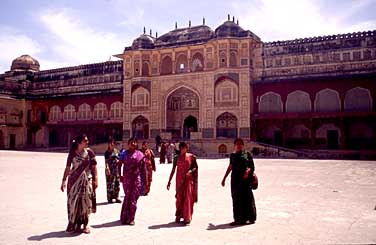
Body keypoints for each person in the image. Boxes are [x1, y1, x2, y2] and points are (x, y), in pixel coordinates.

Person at [60, 134, 98, 234]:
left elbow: (94, 167)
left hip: (86, 180)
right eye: (85, 141)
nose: (87, 142)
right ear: (79, 142)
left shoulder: (89, 152)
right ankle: (72, 223)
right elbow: (68, 168)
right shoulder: (72, 153)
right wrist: (64, 180)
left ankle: (85, 224)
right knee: (73, 202)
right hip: (74, 182)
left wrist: (96, 179)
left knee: (86, 201)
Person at [221, 138, 257, 226]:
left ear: (243, 145)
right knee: (236, 199)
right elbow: (230, 167)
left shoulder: (247, 154)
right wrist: (224, 178)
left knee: (247, 198)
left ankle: (250, 218)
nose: (239, 145)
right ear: (235, 145)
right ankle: (238, 219)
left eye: (240, 144)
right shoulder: (233, 155)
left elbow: (251, 166)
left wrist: (248, 171)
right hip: (235, 181)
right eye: (237, 144)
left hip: (245, 180)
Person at [166, 142, 198, 225]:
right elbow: (173, 170)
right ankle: (179, 214)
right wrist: (169, 181)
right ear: (180, 148)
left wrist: (190, 171)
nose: (185, 149)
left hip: (188, 180)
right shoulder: (176, 158)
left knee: (188, 198)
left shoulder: (191, 157)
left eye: (186, 148)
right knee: (179, 198)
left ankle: (187, 218)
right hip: (179, 180)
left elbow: (195, 167)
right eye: (183, 148)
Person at [119, 137, 147, 225]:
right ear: (128, 144)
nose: (133, 144)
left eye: (135, 142)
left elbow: (143, 168)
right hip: (127, 179)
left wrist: (145, 180)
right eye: (131, 142)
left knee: (134, 198)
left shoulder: (140, 154)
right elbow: (119, 164)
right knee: (128, 197)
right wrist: (120, 175)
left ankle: (131, 218)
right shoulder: (124, 154)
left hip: (136, 179)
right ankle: (124, 217)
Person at [104, 138, 121, 203]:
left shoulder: (117, 151)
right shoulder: (107, 152)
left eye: (113, 143)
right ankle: (110, 198)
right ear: (109, 144)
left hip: (116, 170)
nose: (112, 145)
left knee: (117, 183)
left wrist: (118, 161)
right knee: (110, 184)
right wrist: (107, 168)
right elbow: (106, 162)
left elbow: (120, 159)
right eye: (111, 143)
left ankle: (116, 197)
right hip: (110, 170)